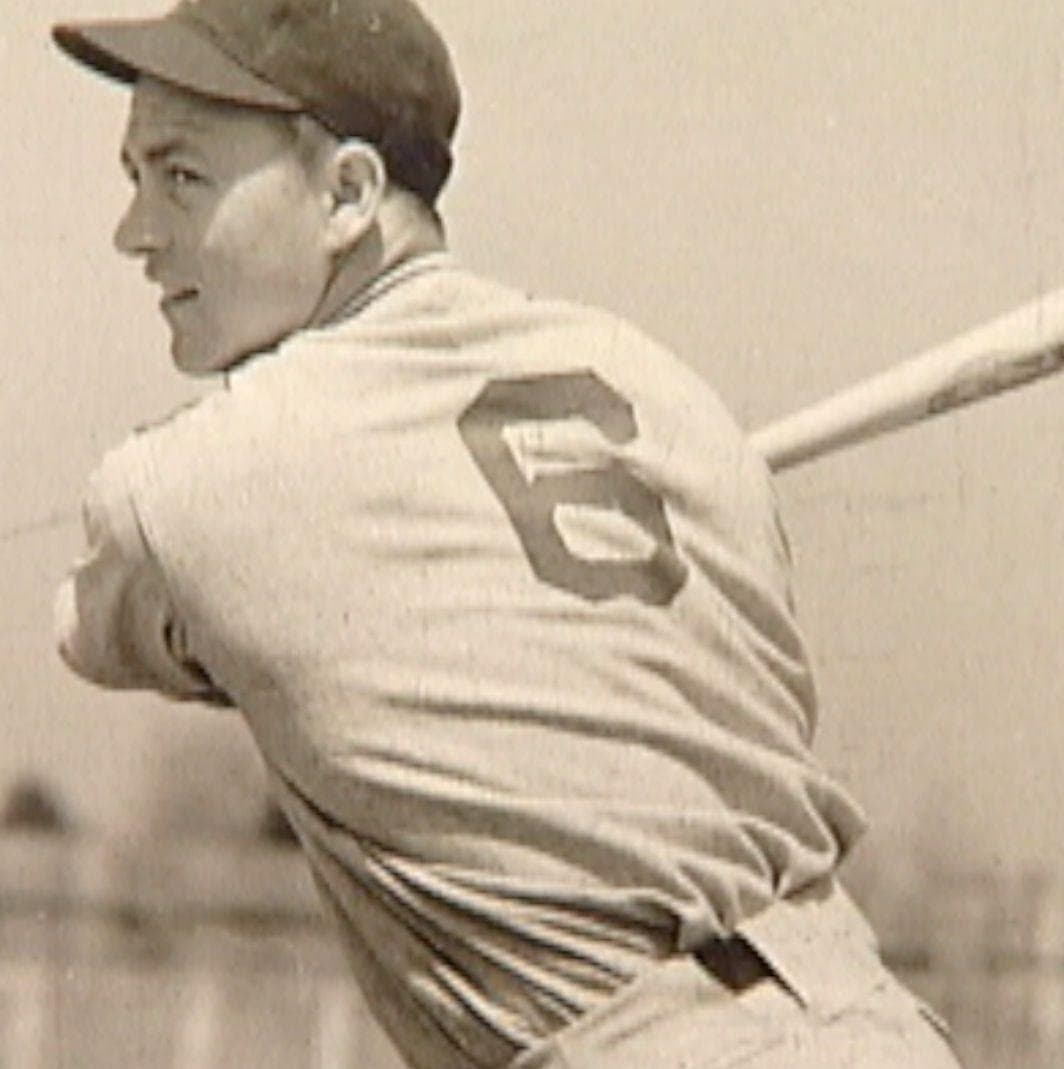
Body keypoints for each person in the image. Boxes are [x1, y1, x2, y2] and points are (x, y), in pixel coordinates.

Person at [51, 2, 962, 1066]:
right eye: (134, 177)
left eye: (181, 176)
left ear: (347, 195)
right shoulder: (672, 397)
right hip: (879, 1023)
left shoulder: (202, 475)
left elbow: (84, 627)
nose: (135, 231)